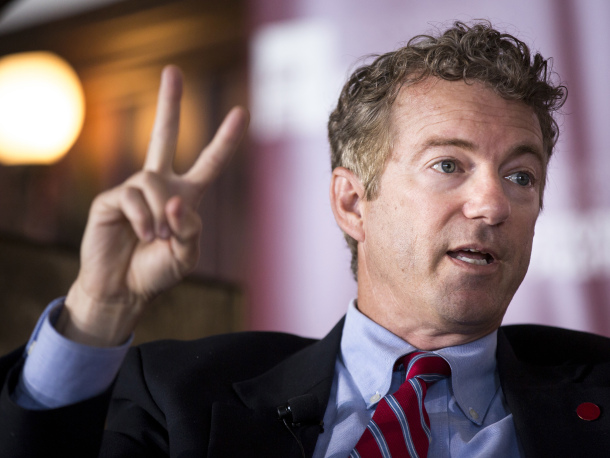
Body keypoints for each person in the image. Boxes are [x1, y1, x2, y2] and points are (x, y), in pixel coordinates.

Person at [1, 20, 610, 457]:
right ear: (352, 203)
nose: (494, 204)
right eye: (448, 165)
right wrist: (97, 312)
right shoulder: (180, 397)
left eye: (521, 176)